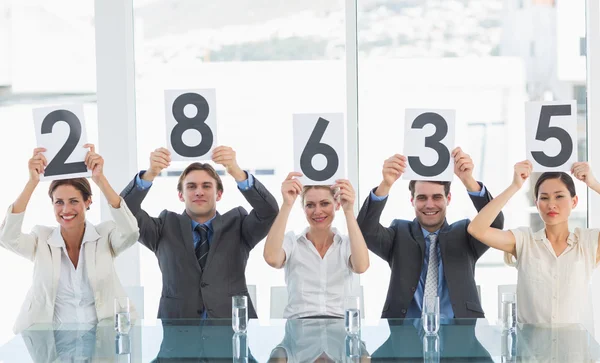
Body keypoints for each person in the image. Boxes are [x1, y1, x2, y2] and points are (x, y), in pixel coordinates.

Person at [120, 146, 279, 319]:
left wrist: (237, 172)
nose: (199, 192)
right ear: (181, 195)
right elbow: (123, 211)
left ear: (219, 194)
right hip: (179, 333)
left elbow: (268, 211)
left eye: (206, 186)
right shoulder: (164, 226)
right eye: (191, 186)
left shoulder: (238, 224)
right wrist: (150, 174)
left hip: (231, 332)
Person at [0, 145, 139, 334]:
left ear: (88, 201)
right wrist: (32, 182)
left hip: (102, 343)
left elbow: (131, 232)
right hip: (52, 344)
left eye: (73, 201)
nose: (65, 210)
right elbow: (7, 238)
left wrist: (100, 179)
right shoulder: (41, 239)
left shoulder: (105, 236)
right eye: (59, 202)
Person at [357, 147, 504, 319]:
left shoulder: (465, 233)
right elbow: (364, 230)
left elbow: (494, 224)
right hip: (405, 334)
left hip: (459, 333)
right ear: (412, 201)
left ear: (448, 199)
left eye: (436, 197)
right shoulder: (399, 233)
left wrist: (468, 180)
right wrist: (386, 184)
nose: (429, 204)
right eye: (421, 198)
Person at [467, 160, 600, 331]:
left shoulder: (587, 243)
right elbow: (476, 229)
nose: (551, 204)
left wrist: (593, 183)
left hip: (575, 354)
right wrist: (514, 186)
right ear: (536, 204)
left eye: (559, 196)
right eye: (544, 198)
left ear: (574, 202)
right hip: (531, 355)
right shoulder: (524, 241)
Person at [263, 173, 369, 319]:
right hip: (299, 329)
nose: (317, 211)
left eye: (324, 203)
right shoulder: (293, 242)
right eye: (310, 205)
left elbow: (361, 266)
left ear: (337, 204)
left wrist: (349, 211)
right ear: (303, 208)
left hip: (338, 328)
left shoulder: (346, 244)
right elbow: (271, 258)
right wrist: (287, 204)